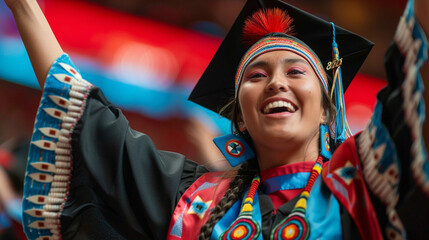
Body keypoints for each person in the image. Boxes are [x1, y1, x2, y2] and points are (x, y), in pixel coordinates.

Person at [2, 0, 429, 239]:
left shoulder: (363, 184)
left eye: (296, 72)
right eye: (257, 76)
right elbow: (92, 122)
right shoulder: (190, 197)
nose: (276, 83)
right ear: (239, 114)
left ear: (326, 109)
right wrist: (24, 8)